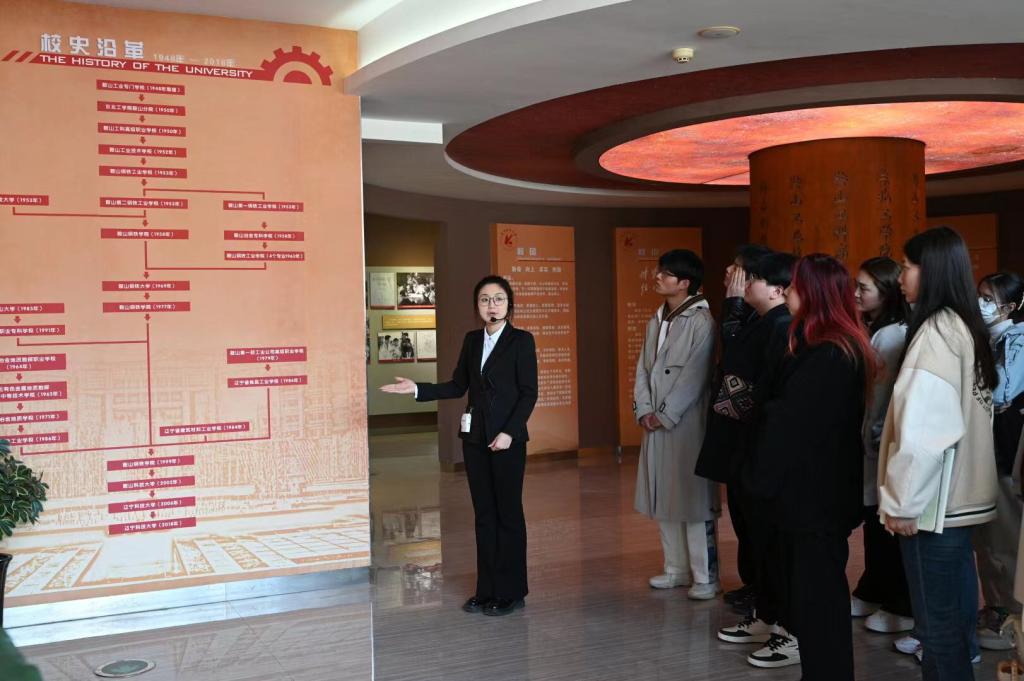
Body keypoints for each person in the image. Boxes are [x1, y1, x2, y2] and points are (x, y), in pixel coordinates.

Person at [740, 254, 875, 679]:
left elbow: (789, 424)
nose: (788, 293)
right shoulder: (825, 344)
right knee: (812, 599)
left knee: (818, 602)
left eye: (795, 286)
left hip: (815, 499)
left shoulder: (830, 352)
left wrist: (757, 477)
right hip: (813, 496)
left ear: (815, 293)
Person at [878, 226, 999, 681]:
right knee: (953, 623)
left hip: (934, 506)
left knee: (939, 633)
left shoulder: (936, 332)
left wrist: (903, 502)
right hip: (959, 501)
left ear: (930, 271)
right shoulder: (964, 326)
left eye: (907, 266)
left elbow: (924, 432)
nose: (901, 277)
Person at [381, 275, 538, 616]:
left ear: (509, 304)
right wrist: (417, 389)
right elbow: (457, 386)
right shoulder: (472, 340)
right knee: (484, 516)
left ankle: (511, 591)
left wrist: (509, 432)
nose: (492, 305)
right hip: (476, 440)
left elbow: (529, 393)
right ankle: (487, 589)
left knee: (508, 515)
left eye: (498, 299)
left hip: (507, 442)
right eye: (485, 300)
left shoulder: (521, 341)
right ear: (477, 306)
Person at [703, 251, 797, 647]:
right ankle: (764, 610)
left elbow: (746, 375)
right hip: (744, 443)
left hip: (757, 445)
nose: (743, 283)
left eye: (751, 277)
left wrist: (732, 307)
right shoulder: (765, 321)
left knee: (766, 538)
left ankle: (776, 617)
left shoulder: (780, 325)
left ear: (777, 289)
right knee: (751, 531)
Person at [633, 249, 720, 600]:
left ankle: (705, 577)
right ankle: (676, 569)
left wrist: (665, 414)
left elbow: (695, 377)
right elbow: (643, 368)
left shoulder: (702, 321)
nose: (658, 276)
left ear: (685, 282)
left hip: (685, 423)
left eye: (666, 273)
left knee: (693, 500)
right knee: (665, 496)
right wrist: (644, 409)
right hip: (656, 421)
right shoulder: (657, 318)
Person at [849, 257, 915, 636]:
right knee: (875, 526)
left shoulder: (891, 335)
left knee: (884, 528)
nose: (856, 294)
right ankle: (873, 589)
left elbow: (880, 398)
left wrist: (871, 436)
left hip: (879, 444)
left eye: (864, 288)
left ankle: (896, 602)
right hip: (871, 443)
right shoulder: (875, 328)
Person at [709, 243, 774, 613]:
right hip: (737, 432)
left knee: (755, 516)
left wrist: (733, 305)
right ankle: (752, 582)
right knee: (740, 513)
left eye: (735, 269)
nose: (728, 274)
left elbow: (735, 358)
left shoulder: (768, 320)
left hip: (753, 434)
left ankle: (762, 588)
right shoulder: (750, 314)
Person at [975, 272, 1024, 651]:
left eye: (989, 299)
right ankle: (995, 608)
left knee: (1005, 540)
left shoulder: (1016, 340)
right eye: (980, 296)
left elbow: (1003, 392)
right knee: (986, 541)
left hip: (1005, 453)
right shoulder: (985, 339)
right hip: (982, 452)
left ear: (1011, 305)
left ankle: (1013, 618)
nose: (982, 304)